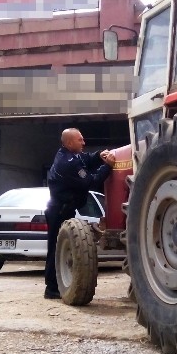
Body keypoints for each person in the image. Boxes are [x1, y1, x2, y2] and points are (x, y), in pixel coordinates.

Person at [43, 128, 115, 299]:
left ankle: (55, 286)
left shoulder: (72, 155)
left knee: (59, 246)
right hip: (59, 210)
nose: (84, 143)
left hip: (64, 208)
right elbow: (92, 181)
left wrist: (99, 155)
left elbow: (86, 159)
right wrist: (108, 167)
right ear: (69, 143)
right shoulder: (67, 163)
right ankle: (51, 289)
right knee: (56, 248)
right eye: (80, 140)